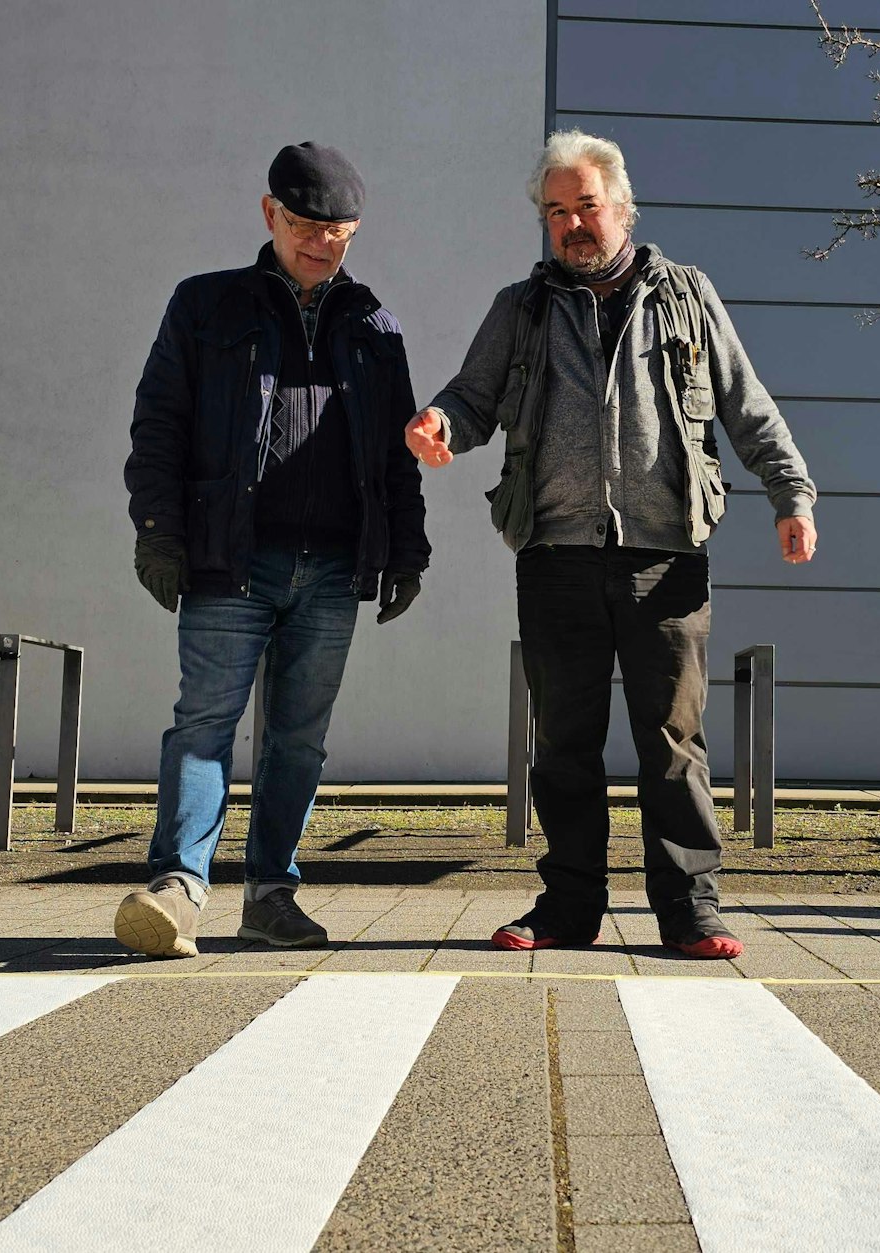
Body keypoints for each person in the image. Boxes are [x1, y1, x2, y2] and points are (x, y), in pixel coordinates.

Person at [405, 129, 817, 960]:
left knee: (672, 744)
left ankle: (690, 910)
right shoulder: (519, 309)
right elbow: (472, 395)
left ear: (622, 207)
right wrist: (440, 421)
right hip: (554, 552)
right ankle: (567, 909)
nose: (571, 224)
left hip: (666, 555)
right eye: (555, 212)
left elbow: (746, 404)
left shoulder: (688, 297)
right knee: (563, 744)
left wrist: (792, 493)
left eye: (585, 206)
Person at [117, 142, 429, 958]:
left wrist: (408, 552)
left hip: (333, 568)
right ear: (269, 215)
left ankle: (271, 897)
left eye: (340, 230)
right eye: (306, 224)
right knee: (205, 722)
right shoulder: (204, 306)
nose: (322, 242)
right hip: (234, 560)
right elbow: (158, 427)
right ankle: (179, 889)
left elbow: (397, 454)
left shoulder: (374, 327)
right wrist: (157, 532)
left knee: (298, 738)